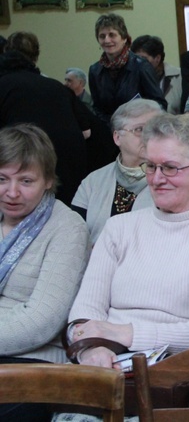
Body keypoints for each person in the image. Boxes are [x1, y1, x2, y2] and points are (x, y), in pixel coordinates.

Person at [66, 113, 189, 369]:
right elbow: (84, 314)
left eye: (170, 167)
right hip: (103, 361)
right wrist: (92, 351)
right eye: (150, 166)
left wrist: (126, 333)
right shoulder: (118, 228)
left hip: (177, 373)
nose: (157, 179)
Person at [0, 124, 90, 422]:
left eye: (26, 181)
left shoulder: (67, 227)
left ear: (49, 181)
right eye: (2, 179)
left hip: (32, 363)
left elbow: (42, 320)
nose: (11, 192)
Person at [0, 32, 90, 206]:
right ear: (36, 56)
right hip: (68, 175)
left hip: (22, 173)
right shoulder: (57, 86)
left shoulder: (4, 85)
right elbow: (87, 131)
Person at [71, 99, 164, 245]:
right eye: (139, 130)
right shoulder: (93, 181)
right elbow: (74, 238)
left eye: (155, 130)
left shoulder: (172, 179)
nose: (149, 136)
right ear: (117, 137)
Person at [88, 14, 166, 125]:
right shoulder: (95, 71)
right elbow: (97, 108)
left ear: (124, 38)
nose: (107, 40)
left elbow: (159, 104)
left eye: (112, 35)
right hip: (109, 133)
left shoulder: (141, 66)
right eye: (102, 36)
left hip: (140, 131)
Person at [132, 35, 182, 115]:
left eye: (143, 59)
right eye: (136, 59)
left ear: (157, 58)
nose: (138, 63)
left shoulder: (179, 76)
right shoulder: (131, 77)